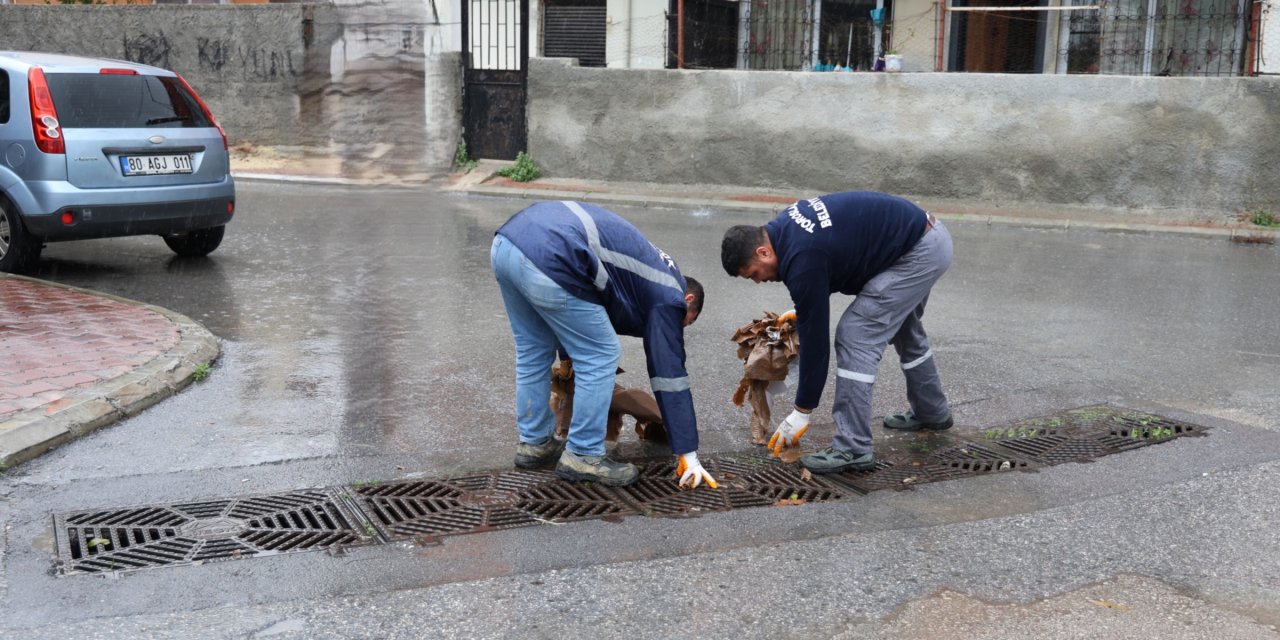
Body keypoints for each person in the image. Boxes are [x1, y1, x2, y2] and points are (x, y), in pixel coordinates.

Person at [720, 192, 954, 473]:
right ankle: (932, 412)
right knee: (905, 329)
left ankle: (853, 448)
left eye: (754, 273)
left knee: (856, 335)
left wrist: (802, 411)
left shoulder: (802, 256)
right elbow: (831, 258)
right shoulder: (783, 230)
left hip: (916, 253)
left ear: (763, 252)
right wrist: (806, 310)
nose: (759, 281)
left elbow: (816, 342)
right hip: (924, 237)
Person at [492, 200, 716, 489]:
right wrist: (688, 450)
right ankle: (583, 454)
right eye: (683, 323)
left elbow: (579, 312)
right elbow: (668, 373)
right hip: (552, 255)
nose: (676, 328)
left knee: (533, 350)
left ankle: (535, 444)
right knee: (600, 354)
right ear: (688, 301)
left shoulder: (647, 272)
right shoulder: (669, 295)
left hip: (507, 243)